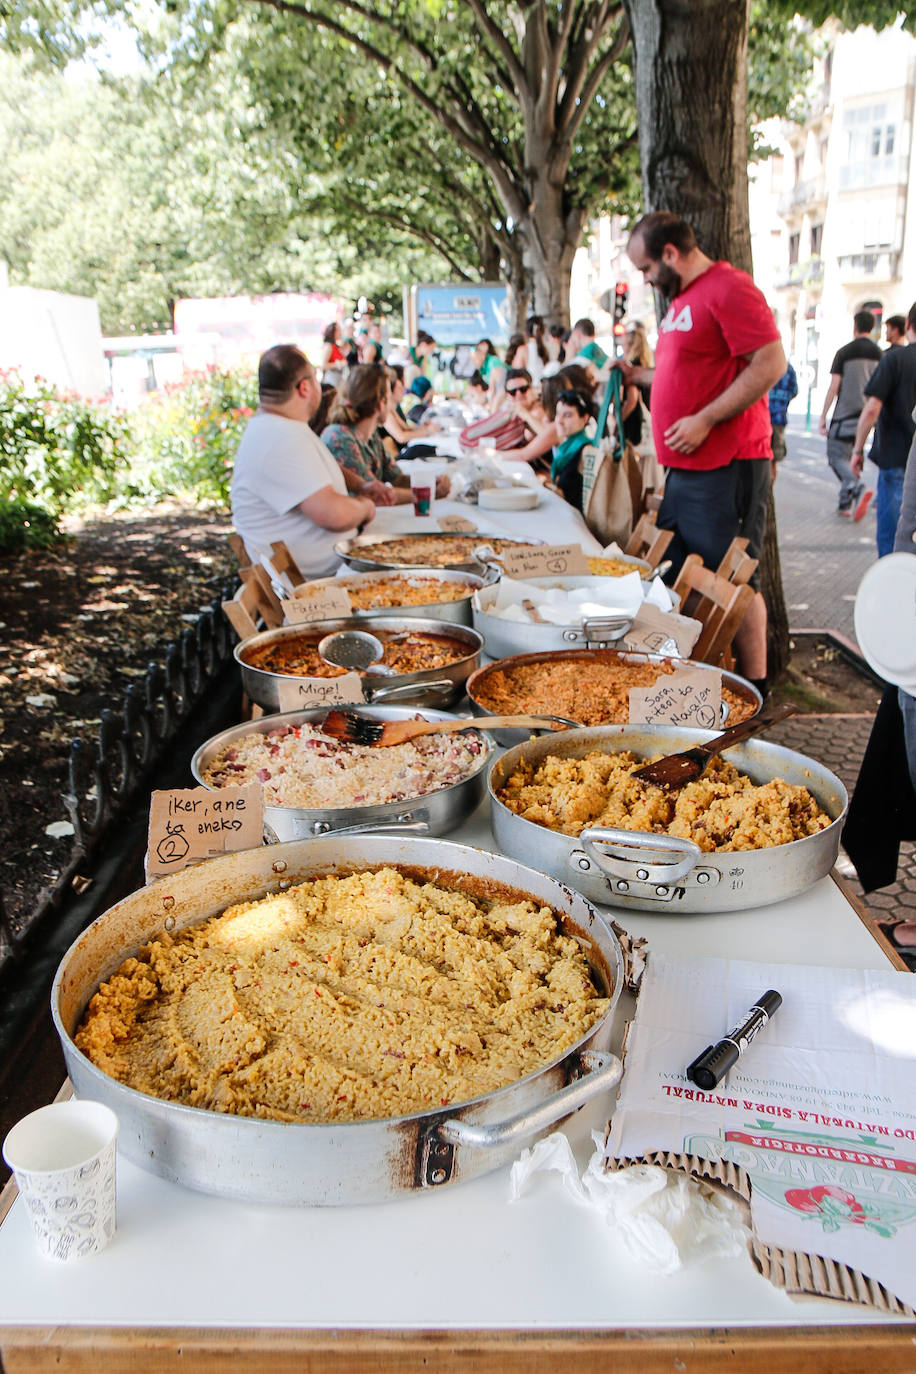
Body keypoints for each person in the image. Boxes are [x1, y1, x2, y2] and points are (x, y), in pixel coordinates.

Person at [619, 210, 786, 696]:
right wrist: (638, 378)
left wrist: (707, 418)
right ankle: (705, 685)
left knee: (733, 581)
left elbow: (771, 362)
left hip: (727, 465)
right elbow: (688, 374)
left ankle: (755, 692)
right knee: (690, 573)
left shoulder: (729, 287)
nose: (646, 278)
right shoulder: (684, 301)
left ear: (670, 254)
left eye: (647, 268)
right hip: (686, 469)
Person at [230, 345, 377, 580]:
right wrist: (365, 507)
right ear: (305, 387)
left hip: (334, 571)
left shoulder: (279, 428)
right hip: (319, 587)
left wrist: (361, 486)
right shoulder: (280, 438)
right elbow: (334, 515)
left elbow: (312, 471)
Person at [322, 364, 447, 506]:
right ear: (381, 404)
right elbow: (374, 495)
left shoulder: (371, 435)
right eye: (389, 398)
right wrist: (429, 493)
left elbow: (396, 478)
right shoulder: (340, 438)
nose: (392, 405)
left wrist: (431, 482)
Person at [850, 302, 916, 554]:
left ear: (908, 325)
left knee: (894, 538)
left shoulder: (894, 359)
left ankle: (893, 586)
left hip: (896, 458)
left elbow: (871, 409)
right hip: (901, 458)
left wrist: (857, 450)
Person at [818, 310, 882, 516]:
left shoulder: (844, 352)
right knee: (852, 457)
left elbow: (834, 386)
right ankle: (844, 505)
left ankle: (855, 486)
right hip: (867, 418)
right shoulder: (879, 354)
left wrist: (823, 415)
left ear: (855, 326)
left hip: (843, 415)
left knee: (836, 457)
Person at [549, 388, 597, 509]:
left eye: (567, 415)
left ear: (585, 418)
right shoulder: (568, 447)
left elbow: (571, 496)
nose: (559, 421)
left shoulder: (585, 450)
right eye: (557, 414)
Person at [767, 360, 798, 466]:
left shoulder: (762, 362)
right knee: (774, 458)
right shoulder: (788, 367)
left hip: (762, 419)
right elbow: (794, 391)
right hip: (778, 418)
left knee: (764, 457)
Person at [320, 322, 346, 387]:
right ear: (333, 332)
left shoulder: (336, 346)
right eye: (338, 329)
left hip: (338, 378)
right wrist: (339, 364)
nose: (340, 332)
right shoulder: (328, 346)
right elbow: (323, 365)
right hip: (331, 379)